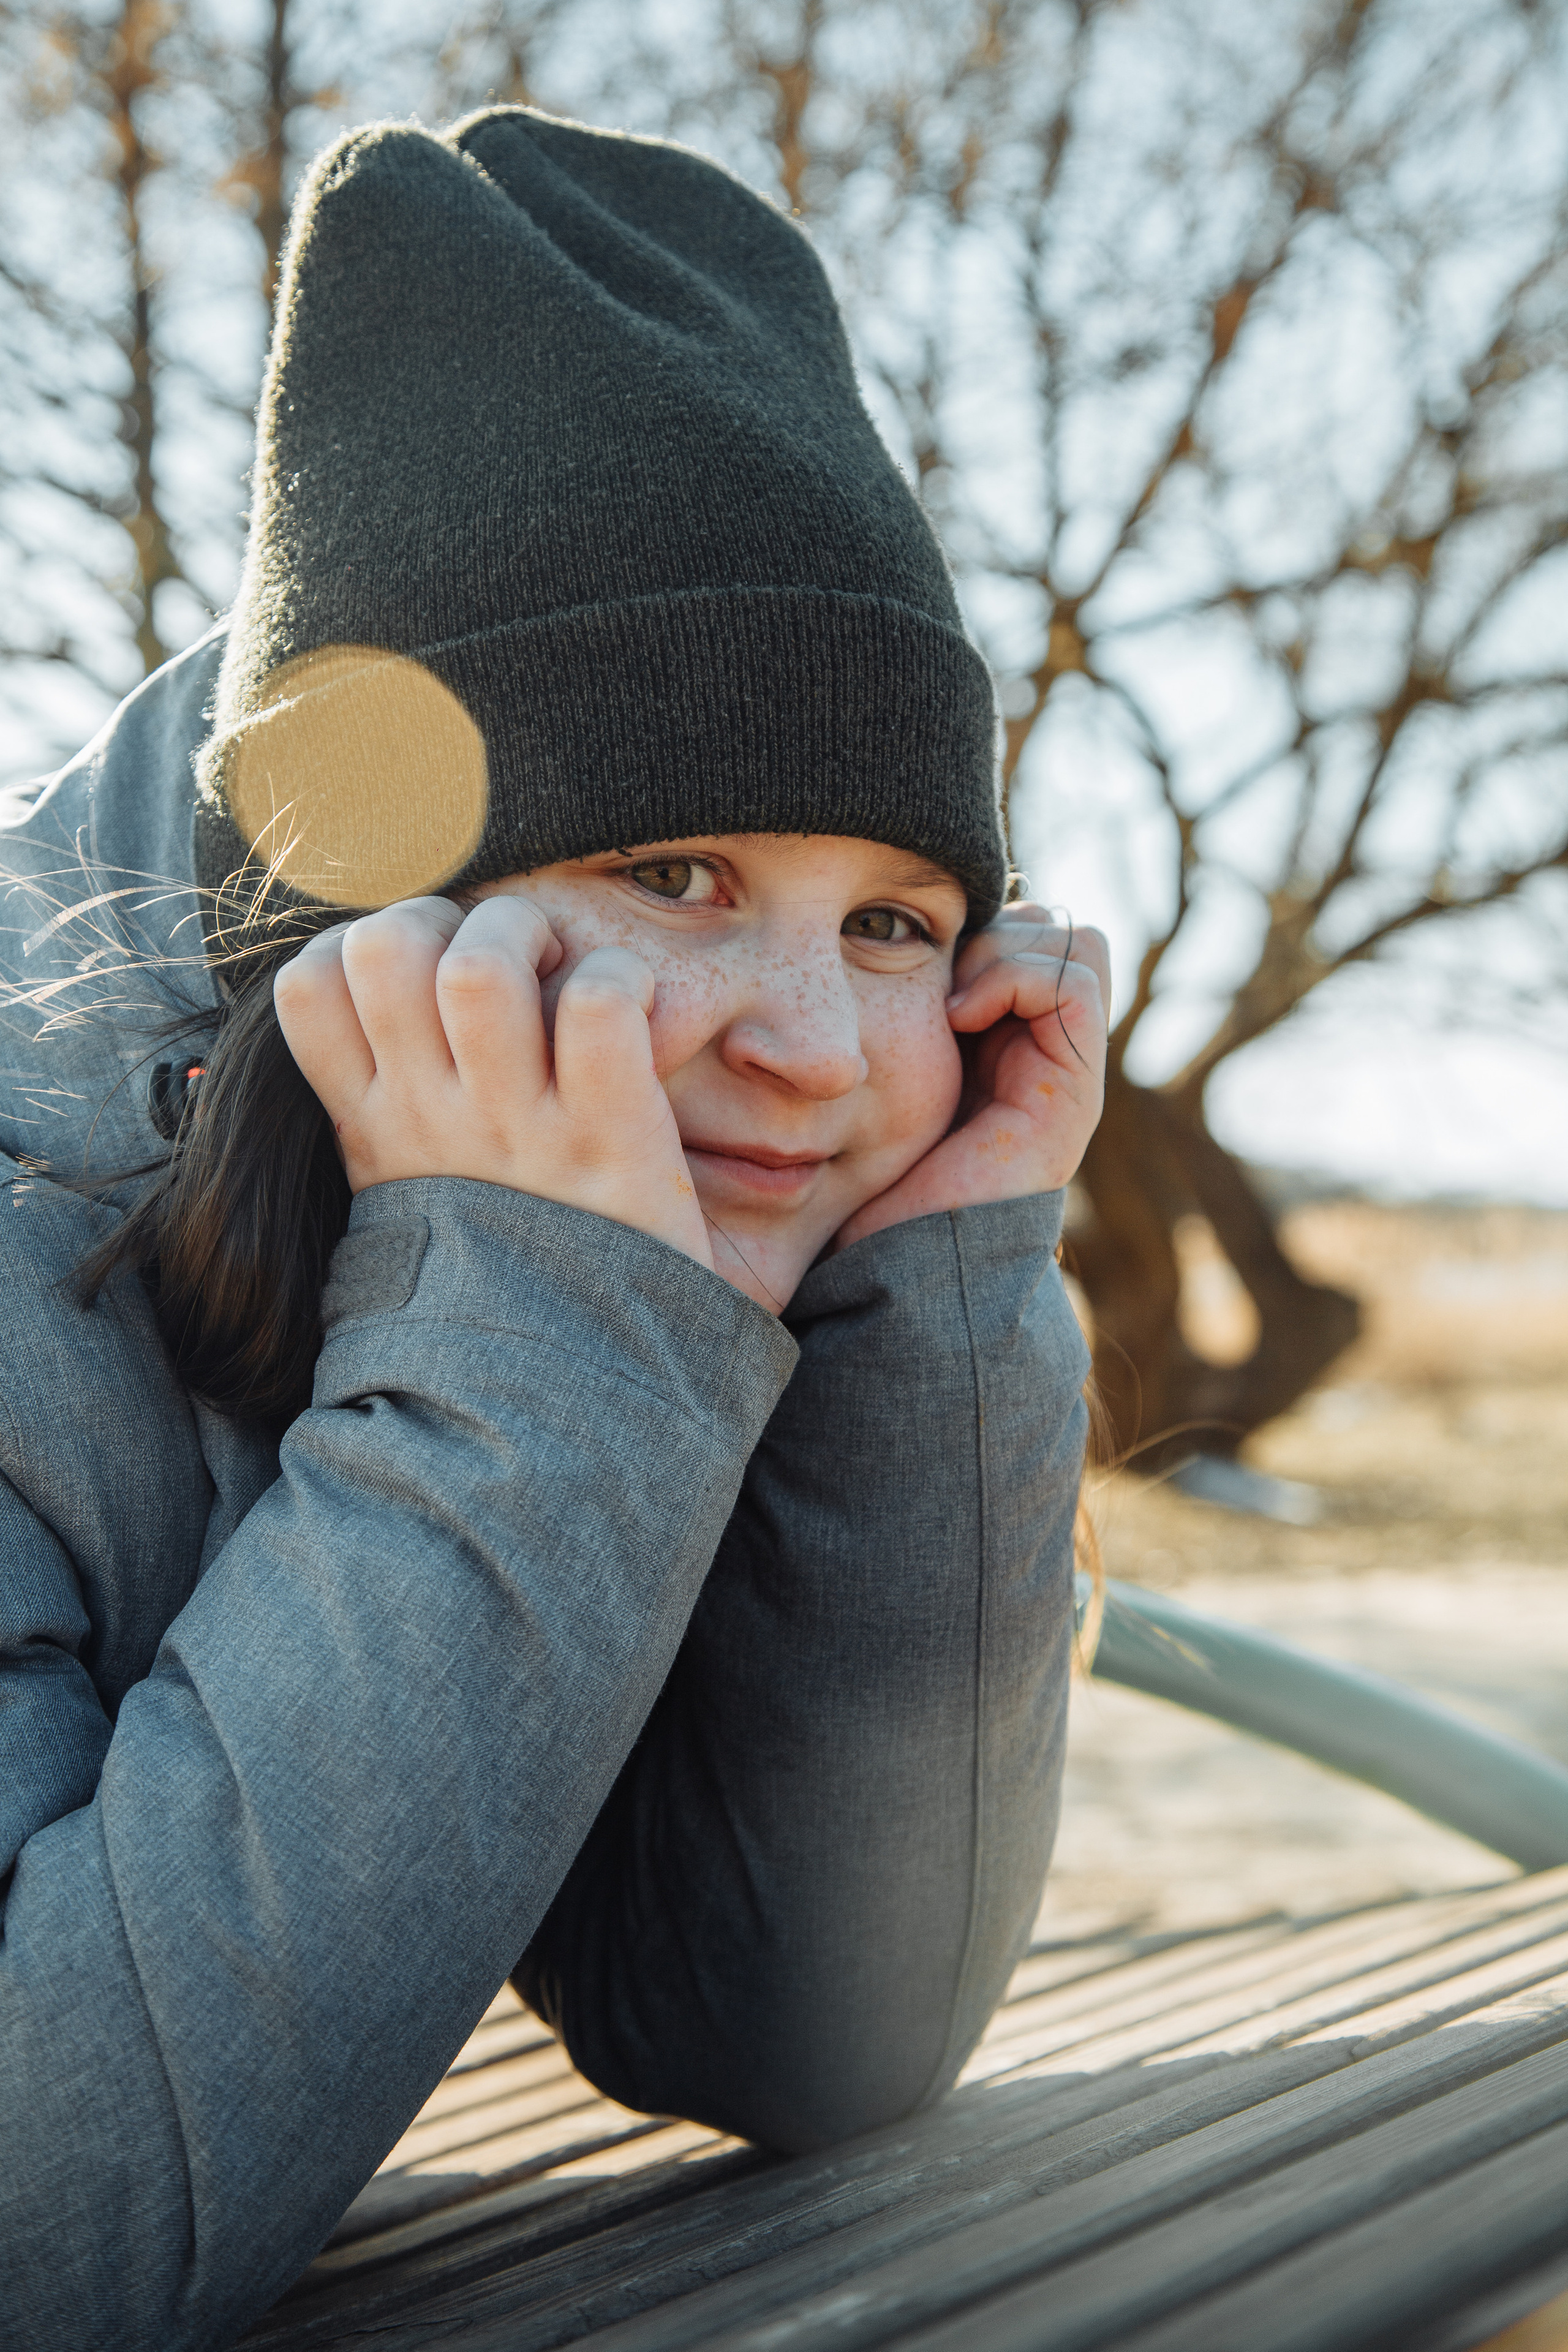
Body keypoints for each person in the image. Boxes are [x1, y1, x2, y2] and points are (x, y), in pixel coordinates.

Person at [0, 106, 1106, 2350]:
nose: (816, 1041)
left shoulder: (651, 1250)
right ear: (347, 914)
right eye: (673, 874)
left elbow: (798, 2034)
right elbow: (46, 2236)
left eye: (894, 919)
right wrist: (524, 1340)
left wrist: (943, 1306)